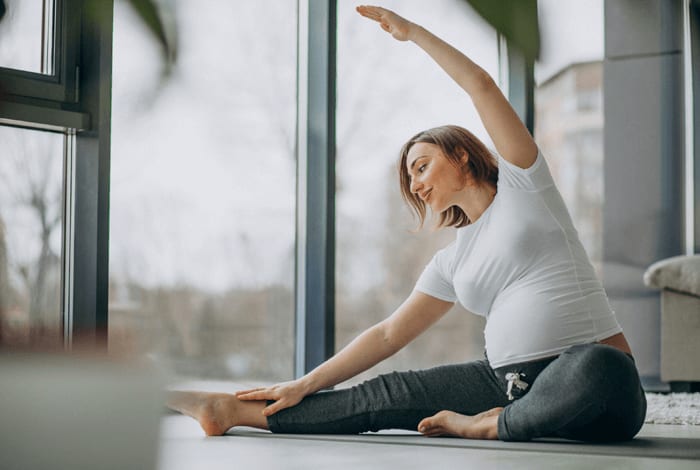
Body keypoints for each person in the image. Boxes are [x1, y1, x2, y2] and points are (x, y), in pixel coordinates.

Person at [167, 5, 646, 442]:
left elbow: (481, 84)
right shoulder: (451, 260)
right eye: (408, 178)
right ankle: (228, 411)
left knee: (600, 368)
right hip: (501, 381)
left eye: (421, 166)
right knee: (387, 393)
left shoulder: (526, 187)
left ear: (461, 155)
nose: (415, 185)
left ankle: (491, 425)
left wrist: (413, 33)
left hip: (591, 381)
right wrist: (305, 382)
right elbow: (388, 335)